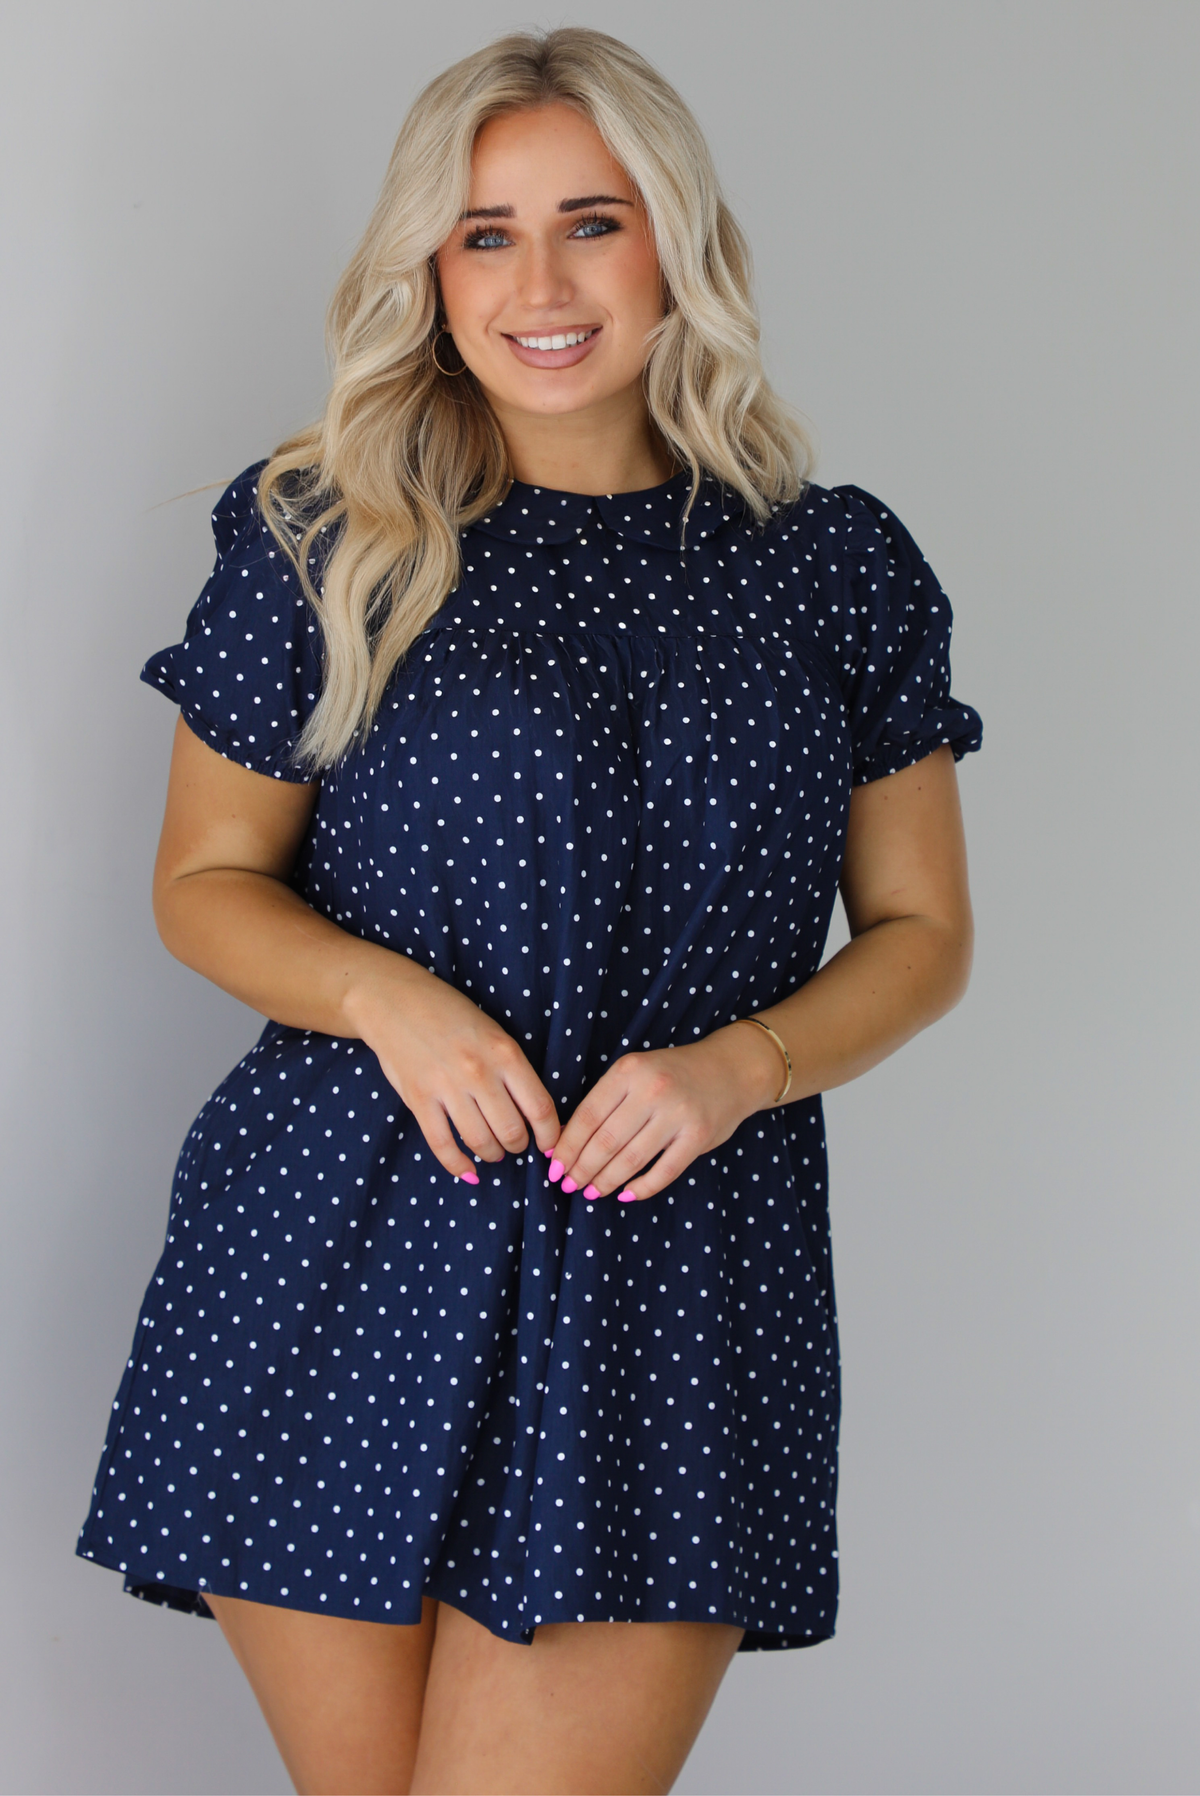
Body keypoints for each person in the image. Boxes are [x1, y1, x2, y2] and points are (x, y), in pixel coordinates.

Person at [77, 25, 982, 1795]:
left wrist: (744, 1065)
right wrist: (388, 1001)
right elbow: (203, 884)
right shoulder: (320, 530)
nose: (541, 281)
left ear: (680, 245)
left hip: (674, 1271)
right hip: (331, 1253)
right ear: (427, 267)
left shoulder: (835, 562)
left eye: (595, 220)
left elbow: (923, 931)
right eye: (485, 233)